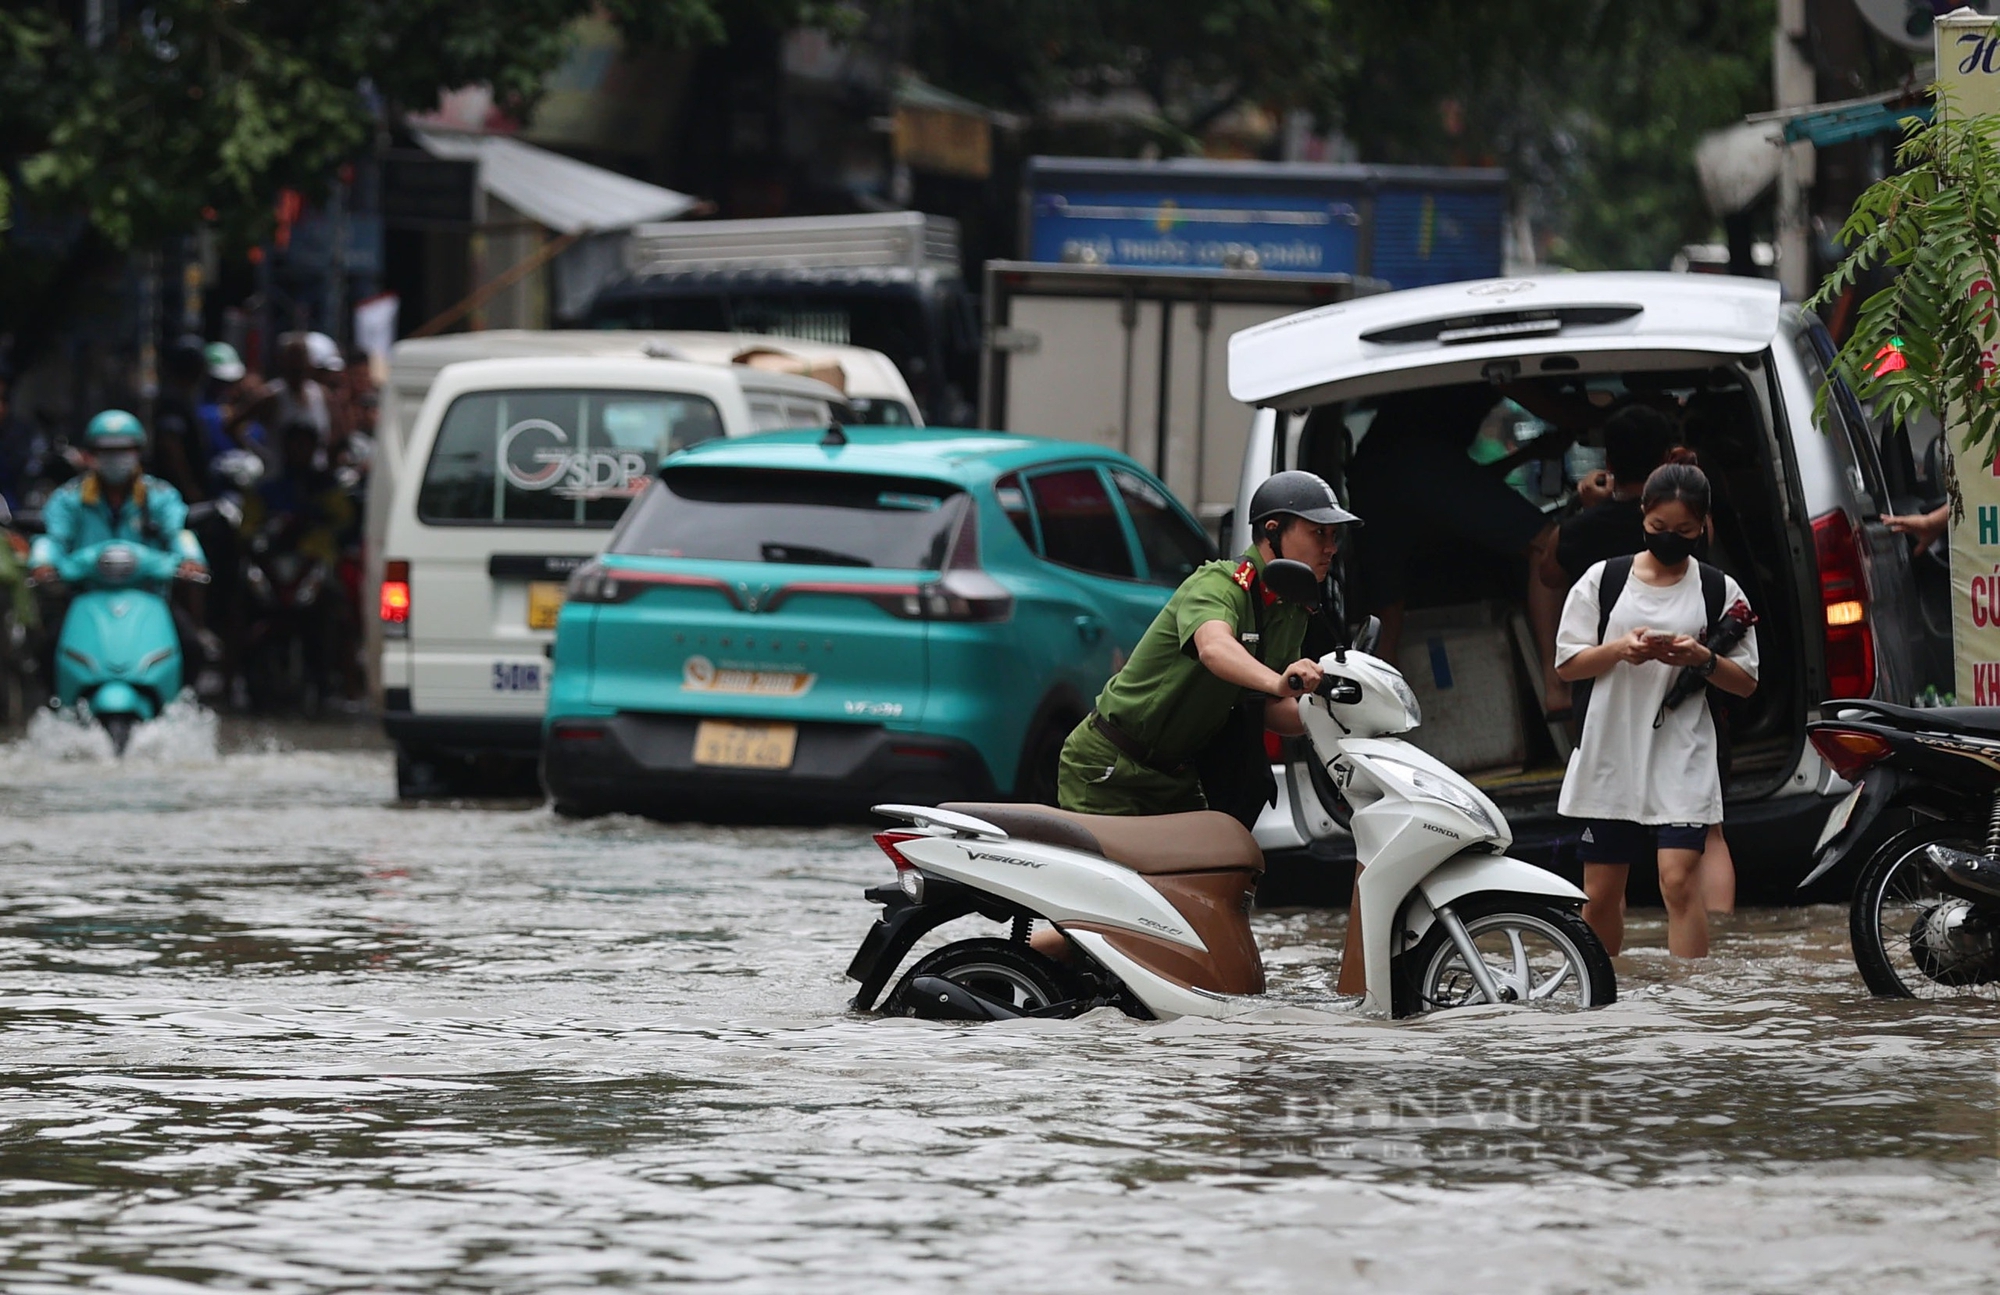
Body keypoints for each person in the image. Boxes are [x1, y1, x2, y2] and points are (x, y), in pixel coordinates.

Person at [1054, 470, 1351, 822]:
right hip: (1112, 764)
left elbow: (1273, 706)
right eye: (1318, 533)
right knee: (1117, 877)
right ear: (1272, 531)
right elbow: (1214, 648)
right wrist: (1276, 681)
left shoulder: (1292, 608)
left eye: (1334, 535)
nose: (1330, 548)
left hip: (1176, 774)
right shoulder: (1221, 583)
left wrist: (1330, 715)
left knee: (1226, 867)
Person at [1553, 455, 1758, 959]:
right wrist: (1620, 649)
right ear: (1642, 515)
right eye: (1658, 526)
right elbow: (1567, 665)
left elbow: (1747, 682)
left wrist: (1702, 657)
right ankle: (1602, 998)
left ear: (1702, 526)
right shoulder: (1603, 580)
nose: (1670, 538)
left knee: (1678, 881)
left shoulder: (1717, 588)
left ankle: (1689, 1007)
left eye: (1684, 530)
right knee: (1600, 893)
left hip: (1681, 748)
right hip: (1611, 748)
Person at [1345, 385, 1569, 714]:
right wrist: (1603, 416)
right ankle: (1558, 688)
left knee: (1387, 617)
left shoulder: (1407, 439)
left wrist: (1529, 455)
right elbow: (1552, 408)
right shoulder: (1497, 355)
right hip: (1416, 462)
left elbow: (1460, 484)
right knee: (1548, 543)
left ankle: (1381, 723)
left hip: (1370, 475)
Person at [28, 412, 209, 651]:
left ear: (138, 452)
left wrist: (190, 559)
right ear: (92, 454)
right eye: (107, 451)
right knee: (46, 649)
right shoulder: (69, 498)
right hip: (85, 598)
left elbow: (179, 533)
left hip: (149, 597)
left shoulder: (160, 495)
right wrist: (43, 562)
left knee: (192, 646)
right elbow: (53, 538)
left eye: (124, 450)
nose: (116, 458)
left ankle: (185, 691)